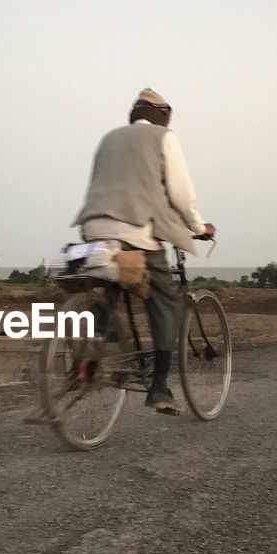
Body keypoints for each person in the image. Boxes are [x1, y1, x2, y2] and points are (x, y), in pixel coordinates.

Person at [73, 88, 216, 414]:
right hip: (134, 230)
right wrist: (198, 226)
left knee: (113, 280)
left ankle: (95, 347)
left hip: (93, 228)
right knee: (164, 300)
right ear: (163, 115)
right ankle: (160, 387)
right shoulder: (164, 138)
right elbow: (181, 194)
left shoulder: (109, 138)